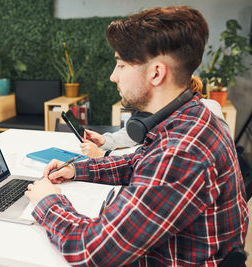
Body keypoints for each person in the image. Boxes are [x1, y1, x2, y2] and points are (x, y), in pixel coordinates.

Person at [25, 6, 249, 266]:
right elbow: (139, 162)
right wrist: (78, 169)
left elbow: (92, 250)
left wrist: (48, 202)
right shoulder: (189, 114)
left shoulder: (182, 151)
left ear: (156, 73)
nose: (113, 76)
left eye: (121, 64)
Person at [81, 76, 232, 158]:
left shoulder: (207, 108)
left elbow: (156, 165)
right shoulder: (167, 114)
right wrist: (106, 140)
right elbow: (134, 136)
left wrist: (102, 157)